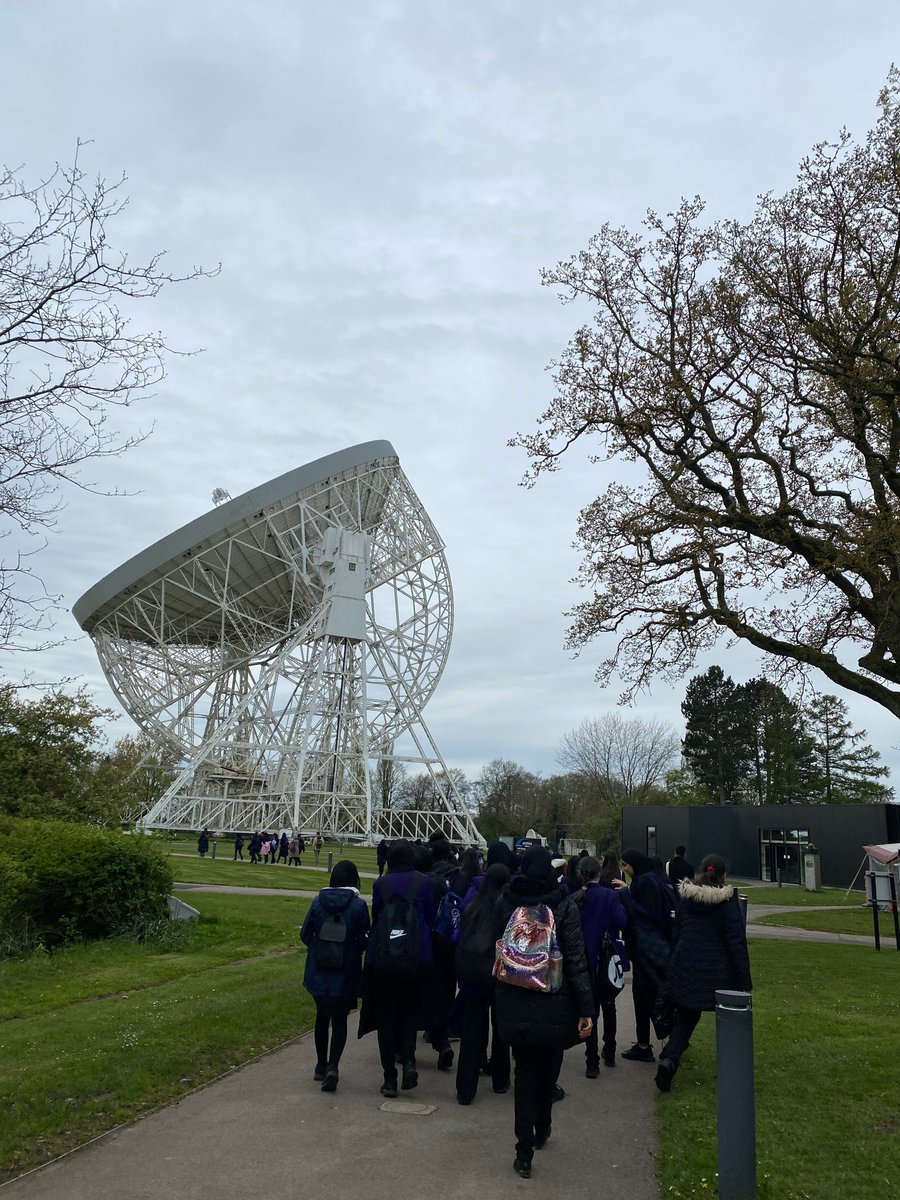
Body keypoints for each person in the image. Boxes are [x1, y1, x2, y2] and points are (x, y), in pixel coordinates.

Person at [493, 846, 594, 1179]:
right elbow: (577, 962)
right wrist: (585, 1009)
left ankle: (523, 1152)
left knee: (523, 1072)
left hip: (514, 1000)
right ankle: (543, 1124)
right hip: (553, 999)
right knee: (548, 1064)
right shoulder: (564, 907)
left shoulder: (508, 903)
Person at [655, 854, 752, 1093]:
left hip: (685, 960)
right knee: (711, 1015)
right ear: (723, 875)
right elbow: (735, 940)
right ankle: (677, 1057)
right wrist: (744, 979)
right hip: (713, 966)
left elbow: (677, 931)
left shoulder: (687, 898)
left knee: (687, 1012)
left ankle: (670, 1055)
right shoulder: (727, 901)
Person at [362, 839, 437, 1097]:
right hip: (416, 957)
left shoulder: (380, 884)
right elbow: (429, 916)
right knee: (409, 1012)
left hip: (384, 960)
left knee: (386, 1017)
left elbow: (377, 919)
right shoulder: (423, 882)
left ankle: (389, 1078)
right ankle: (409, 1062)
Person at [300, 860, 371, 1092]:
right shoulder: (359, 906)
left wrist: (318, 948)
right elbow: (364, 937)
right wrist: (351, 950)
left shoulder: (318, 902)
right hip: (345, 970)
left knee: (321, 1017)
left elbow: (305, 934)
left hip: (318, 970)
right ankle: (333, 1066)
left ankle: (320, 1066)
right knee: (339, 1020)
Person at [454, 861, 511, 1104]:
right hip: (498, 974)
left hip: (473, 973)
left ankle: (466, 1089)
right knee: (501, 1030)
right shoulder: (508, 909)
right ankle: (500, 1079)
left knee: (472, 1031)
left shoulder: (472, 906)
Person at [612, 849, 676, 1063]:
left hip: (645, 950)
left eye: (626, 865)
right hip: (650, 949)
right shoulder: (651, 880)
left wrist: (625, 895)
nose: (624, 870)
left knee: (645, 997)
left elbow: (645, 914)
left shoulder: (644, 883)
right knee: (649, 996)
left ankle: (648, 1043)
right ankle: (656, 1041)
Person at [574, 856, 628, 1073]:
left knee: (590, 1008)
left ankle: (591, 1061)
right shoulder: (609, 896)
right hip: (607, 956)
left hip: (585, 957)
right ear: (599, 874)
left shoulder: (576, 898)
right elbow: (622, 921)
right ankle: (610, 1049)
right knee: (609, 1004)